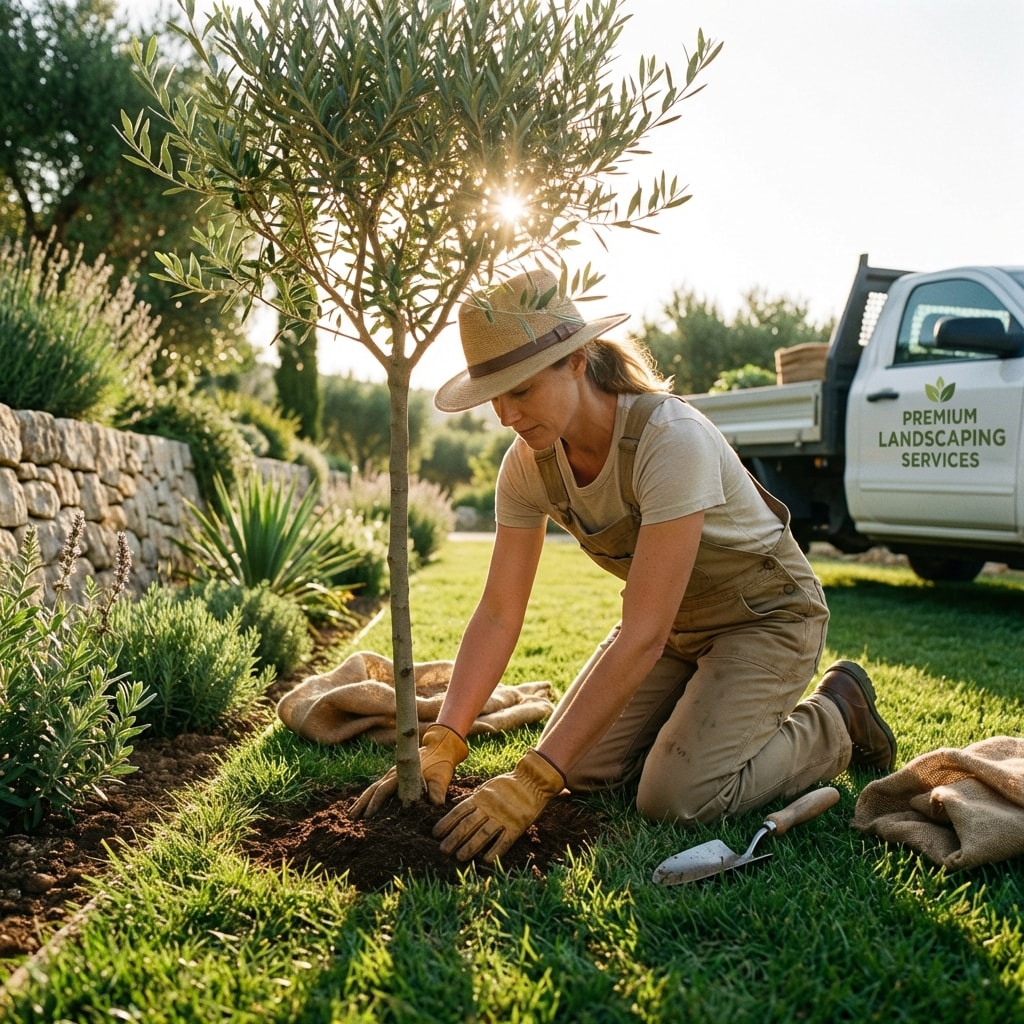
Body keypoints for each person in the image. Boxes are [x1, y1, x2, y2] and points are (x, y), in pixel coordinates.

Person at [353, 267, 897, 865]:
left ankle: (838, 716)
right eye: (495, 397)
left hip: (765, 618)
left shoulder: (670, 439)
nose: (506, 414)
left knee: (674, 797)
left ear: (578, 361)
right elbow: (500, 611)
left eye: (522, 390)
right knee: (580, 769)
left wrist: (532, 780)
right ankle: (699, 721)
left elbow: (642, 634)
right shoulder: (527, 465)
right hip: (673, 626)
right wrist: (445, 737)